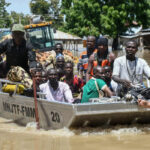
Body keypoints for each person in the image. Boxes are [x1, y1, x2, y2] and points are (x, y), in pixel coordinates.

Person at [0, 24, 37, 88]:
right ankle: (31, 86)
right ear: (12, 34)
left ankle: (32, 88)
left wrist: (33, 67)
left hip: (24, 73)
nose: (17, 35)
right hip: (9, 72)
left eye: (19, 33)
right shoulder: (6, 43)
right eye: (15, 33)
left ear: (23, 34)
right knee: (17, 69)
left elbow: (32, 60)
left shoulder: (28, 45)